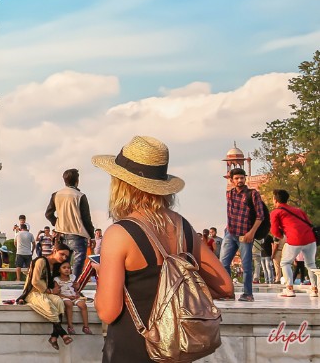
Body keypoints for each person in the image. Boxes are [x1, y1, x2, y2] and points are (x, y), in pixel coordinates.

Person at [93, 135, 233, 362]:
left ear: (122, 185)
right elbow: (225, 286)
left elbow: (108, 311)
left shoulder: (119, 234)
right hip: (175, 352)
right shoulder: (183, 227)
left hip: (132, 349)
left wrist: (103, 276)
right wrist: (180, 288)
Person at [222, 167, 268, 302]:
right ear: (231, 180)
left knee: (246, 266)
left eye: (242, 178)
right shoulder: (229, 194)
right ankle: (228, 292)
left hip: (245, 234)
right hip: (230, 233)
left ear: (245, 178)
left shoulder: (252, 194)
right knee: (223, 264)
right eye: (236, 178)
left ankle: (248, 294)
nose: (240, 180)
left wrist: (251, 233)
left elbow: (260, 216)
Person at [19, 241, 72, 350]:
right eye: (62, 254)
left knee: (59, 302)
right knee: (48, 304)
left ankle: (53, 337)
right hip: (33, 292)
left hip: (48, 292)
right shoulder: (41, 261)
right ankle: (62, 333)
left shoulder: (57, 265)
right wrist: (50, 291)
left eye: (66, 256)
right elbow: (35, 281)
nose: (64, 257)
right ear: (55, 251)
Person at [46, 169, 97, 278]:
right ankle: (74, 288)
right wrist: (92, 236)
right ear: (77, 181)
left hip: (61, 235)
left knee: (61, 264)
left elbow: (48, 214)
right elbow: (86, 219)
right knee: (77, 265)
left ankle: (62, 288)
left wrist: (57, 223)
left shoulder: (56, 195)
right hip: (77, 235)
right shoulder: (80, 196)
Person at [271, 189, 317, 297]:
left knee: (285, 263)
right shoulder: (299, 210)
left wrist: (281, 236)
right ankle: (315, 289)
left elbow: (274, 230)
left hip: (294, 239)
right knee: (311, 264)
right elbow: (309, 223)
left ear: (275, 200)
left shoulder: (276, 212)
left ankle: (289, 289)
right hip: (310, 239)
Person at [54, 261, 91, 335]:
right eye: (64, 268)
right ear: (59, 270)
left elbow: (75, 289)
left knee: (83, 305)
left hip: (74, 296)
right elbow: (57, 293)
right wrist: (67, 297)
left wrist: (77, 292)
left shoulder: (72, 277)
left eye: (68, 268)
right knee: (69, 304)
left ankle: (86, 326)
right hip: (64, 297)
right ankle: (70, 326)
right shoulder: (57, 280)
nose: (67, 269)